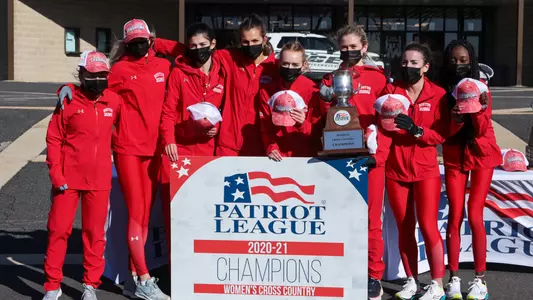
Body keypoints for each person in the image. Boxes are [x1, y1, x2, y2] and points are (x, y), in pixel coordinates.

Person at [370, 42, 461, 300]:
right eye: (404, 62)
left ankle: (437, 284)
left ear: (425, 67)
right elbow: (380, 126)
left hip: (425, 171)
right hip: (396, 170)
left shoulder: (438, 94)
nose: (408, 67)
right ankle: (411, 280)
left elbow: (441, 135)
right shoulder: (390, 91)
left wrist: (416, 130)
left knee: (429, 227)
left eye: (414, 63)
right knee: (404, 227)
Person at [43, 51, 121, 300]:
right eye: (92, 75)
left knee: (95, 234)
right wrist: (56, 174)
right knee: (58, 231)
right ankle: (52, 286)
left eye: (102, 75)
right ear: (81, 75)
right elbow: (54, 138)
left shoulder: (114, 102)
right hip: (67, 179)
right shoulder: (68, 101)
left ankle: (90, 285)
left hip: (99, 180)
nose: (97, 79)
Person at [318, 24, 387, 300]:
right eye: (343, 47)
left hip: (369, 161)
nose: (348, 51)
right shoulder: (328, 79)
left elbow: (388, 123)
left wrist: (377, 156)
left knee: (371, 222)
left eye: (353, 46)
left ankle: (373, 275)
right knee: (338, 218)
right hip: (337, 159)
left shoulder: (379, 79)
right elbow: (318, 121)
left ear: (365, 47)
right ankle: (340, 268)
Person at [153, 14, 278, 157]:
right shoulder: (230, 59)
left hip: (259, 145)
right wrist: (154, 43)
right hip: (227, 144)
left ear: (265, 39)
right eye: (245, 42)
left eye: (255, 41)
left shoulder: (275, 69)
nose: (250, 46)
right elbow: (196, 49)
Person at [440, 40, 501, 300]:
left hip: (481, 153)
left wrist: (477, 110)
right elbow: (443, 132)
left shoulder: (482, 88)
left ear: (472, 60)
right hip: (454, 155)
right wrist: (454, 119)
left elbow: (480, 129)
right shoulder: (442, 90)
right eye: (454, 60)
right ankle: (453, 278)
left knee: (475, 213)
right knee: (455, 214)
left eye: (463, 60)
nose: (459, 65)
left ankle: (479, 279)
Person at [159, 22, 224, 248]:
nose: (198, 49)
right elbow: (168, 111)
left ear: (213, 44)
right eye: (193, 45)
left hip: (210, 151)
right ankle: (174, 266)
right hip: (183, 149)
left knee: (206, 211)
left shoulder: (222, 73)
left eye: (203, 44)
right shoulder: (178, 73)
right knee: (177, 212)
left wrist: (219, 130)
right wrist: (169, 140)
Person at [257, 41, 322, 160]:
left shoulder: (313, 90)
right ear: (279, 63)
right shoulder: (267, 90)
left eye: (295, 65)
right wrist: (271, 147)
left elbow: (318, 131)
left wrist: (303, 124)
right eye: (285, 64)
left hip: (305, 155)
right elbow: (265, 126)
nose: (289, 68)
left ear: (304, 65)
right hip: (278, 156)